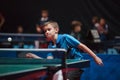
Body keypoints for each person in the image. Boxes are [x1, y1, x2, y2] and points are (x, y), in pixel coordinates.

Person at [26, 21, 103, 80]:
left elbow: (82, 46)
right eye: (45, 31)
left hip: (76, 65)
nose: (46, 32)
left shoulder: (65, 38)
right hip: (64, 67)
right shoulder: (50, 45)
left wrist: (95, 57)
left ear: (56, 30)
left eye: (49, 29)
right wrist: (34, 56)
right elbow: (49, 61)